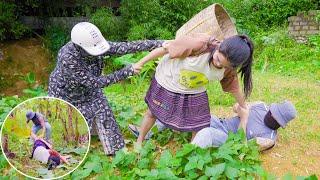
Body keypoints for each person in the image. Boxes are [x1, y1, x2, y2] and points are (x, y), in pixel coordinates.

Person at [48, 22, 166, 155]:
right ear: (79, 46)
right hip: (67, 95)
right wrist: (127, 72)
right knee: (69, 140)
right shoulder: (68, 58)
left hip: (90, 92)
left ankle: (117, 154)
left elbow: (125, 47)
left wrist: (161, 43)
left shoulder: (95, 44)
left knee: (104, 114)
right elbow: (96, 82)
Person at [133, 33, 254, 145]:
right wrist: (140, 62)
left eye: (223, 65)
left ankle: (193, 151)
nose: (218, 64)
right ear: (220, 47)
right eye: (217, 59)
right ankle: (139, 142)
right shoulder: (199, 44)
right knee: (152, 112)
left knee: (198, 124)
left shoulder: (228, 69)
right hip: (169, 78)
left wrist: (243, 106)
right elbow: (164, 50)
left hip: (193, 88)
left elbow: (234, 88)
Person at [191, 100, 297, 151]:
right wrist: (238, 108)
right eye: (272, 112)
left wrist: (244, 119)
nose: (272, 116)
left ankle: (185, 159)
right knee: (197, 114)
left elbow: (242, 147)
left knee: (206, 134)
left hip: (227, 138)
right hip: (221, 122)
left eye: (276, 118)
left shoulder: (268, 139)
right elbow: (236, 107)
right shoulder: (261, 105)